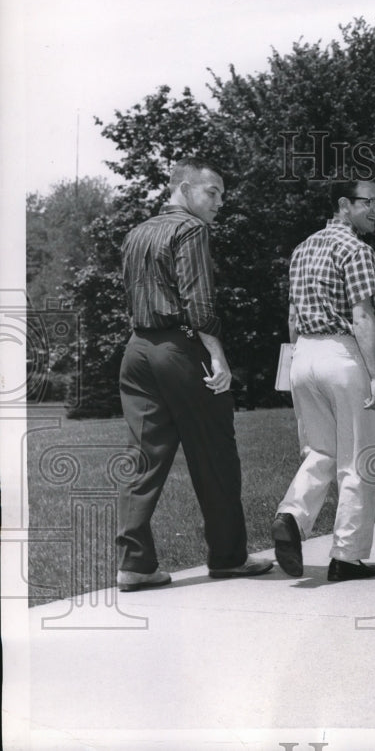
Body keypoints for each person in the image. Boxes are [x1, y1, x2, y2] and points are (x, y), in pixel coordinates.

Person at [117, 157, 273, 591]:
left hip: (137, 351)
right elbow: (198, 301)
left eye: (222, 195)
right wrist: (217, 357)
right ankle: (228, 558)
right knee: (215, 455)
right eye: (213, 193)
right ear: (184, 189)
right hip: (182, 350)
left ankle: (135, 565)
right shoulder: (192, 229)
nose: (219, 203)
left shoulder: (136, 232)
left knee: (142, 459)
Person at [270, 180, 375, 582]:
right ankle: (347, 557)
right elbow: (362, 316)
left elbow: (290, 315)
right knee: (359, 458)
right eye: (368, 202)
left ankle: (291, 515)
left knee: (320, 451)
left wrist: (295, 366)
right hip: (341, 355)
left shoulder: (303, 249)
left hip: (303, 354)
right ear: (343, 205)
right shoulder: (357, 250)